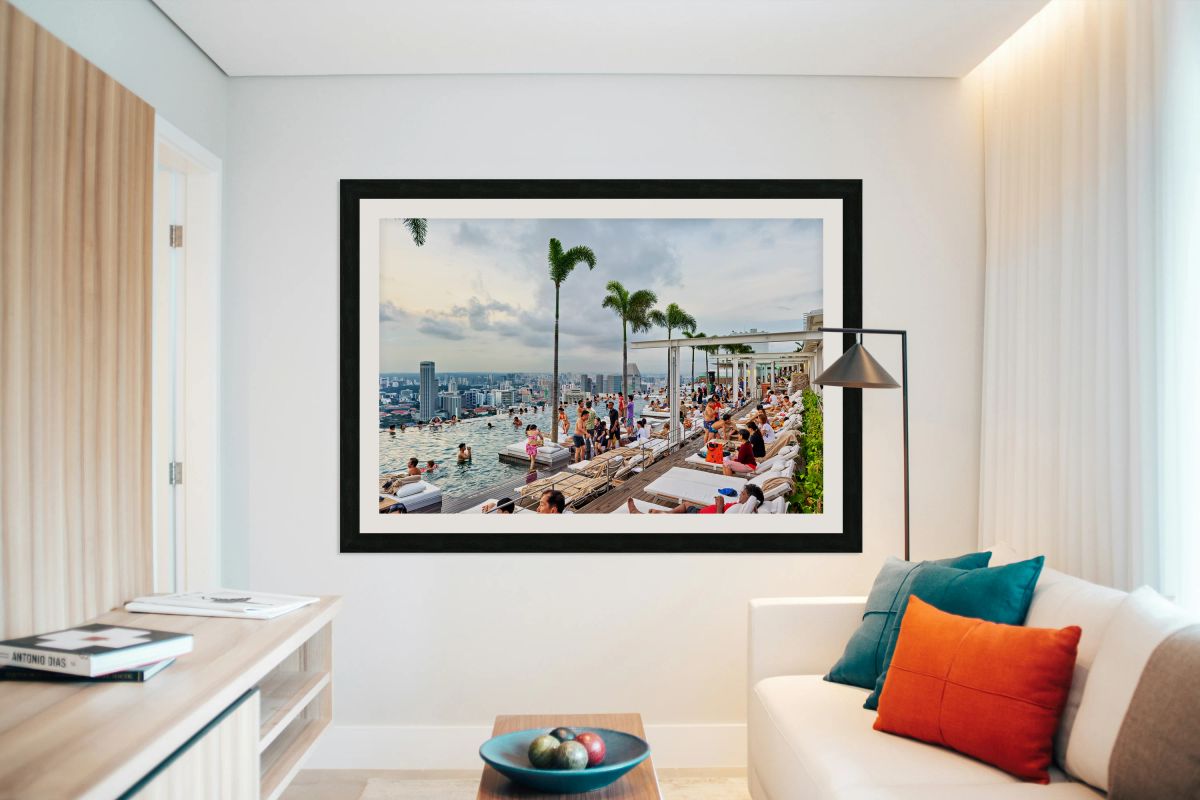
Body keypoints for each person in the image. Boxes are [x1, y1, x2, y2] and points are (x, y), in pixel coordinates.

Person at [625, 484, 765, 514]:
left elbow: (720, 526)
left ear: (750, 498)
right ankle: (666, 513)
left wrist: (719, 505)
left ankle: (638, 514)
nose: (740, 494)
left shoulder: (740, 509)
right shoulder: (744, 508)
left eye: (743, 493)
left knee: (684, 510)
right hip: (701, 512)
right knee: (686, 504)